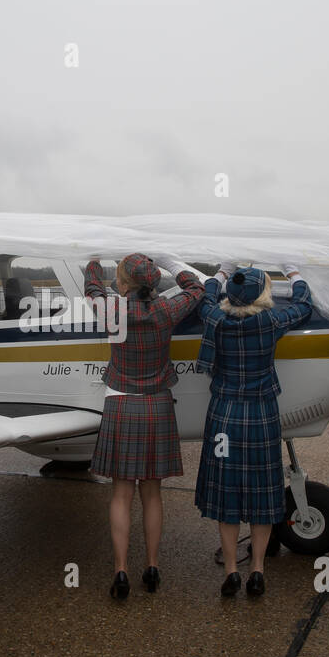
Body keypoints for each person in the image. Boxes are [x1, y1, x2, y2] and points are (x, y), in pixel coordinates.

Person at [84, 253, 205, 599]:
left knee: (121, 494)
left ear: (123, 285)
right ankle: (152, 566)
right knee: (152, 493)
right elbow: (196, 287)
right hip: (157, 404)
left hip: (121, 402)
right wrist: (170, 263)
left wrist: (94, 256)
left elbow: (92, 284)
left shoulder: (111, 310)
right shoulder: (167, 311)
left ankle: (120, 570)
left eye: (119, 280)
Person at [194, 262, 313, 597]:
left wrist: (219, 275)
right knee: (262, 492)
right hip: (260, 415)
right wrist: (295, 274)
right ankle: (257, 569)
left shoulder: (214, 318)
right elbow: (305, 304)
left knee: (226, 492)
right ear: (263, 292)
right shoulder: (270, 321)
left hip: (223, 416)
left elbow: (206, 297)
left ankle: (232, 570)